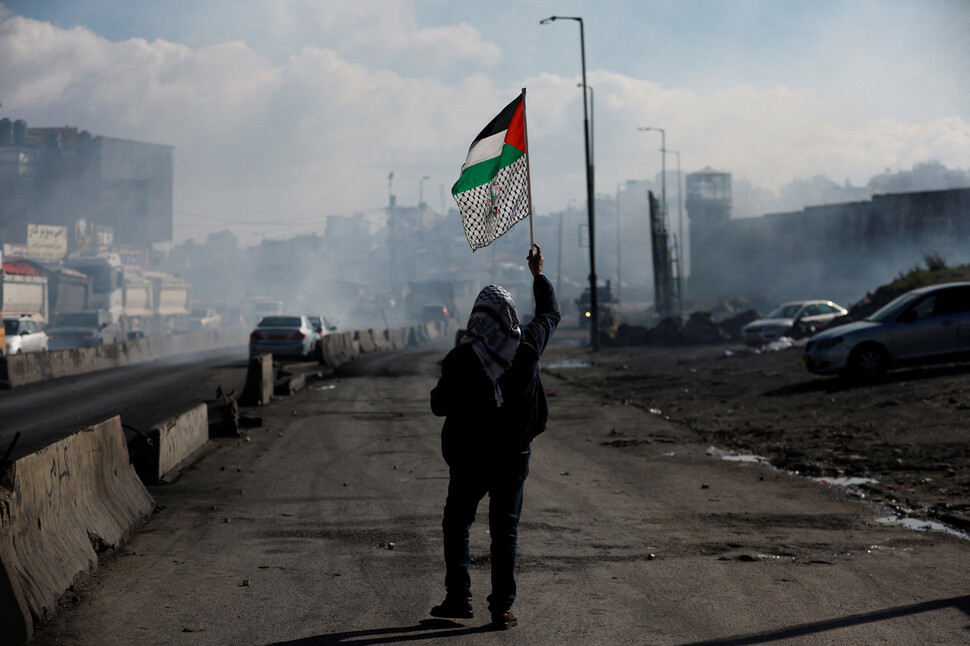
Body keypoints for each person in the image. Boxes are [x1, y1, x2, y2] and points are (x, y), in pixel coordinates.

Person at [429, 243, 560, 630]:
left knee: (457, 523)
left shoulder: (461, 358)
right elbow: (551, 312)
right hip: (513, 457)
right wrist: (538, 276)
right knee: (505, 531)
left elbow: (438, 405)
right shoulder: (528, 347)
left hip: (470, 457)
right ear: (510, 316)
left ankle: (459, 597)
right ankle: (501, 607)